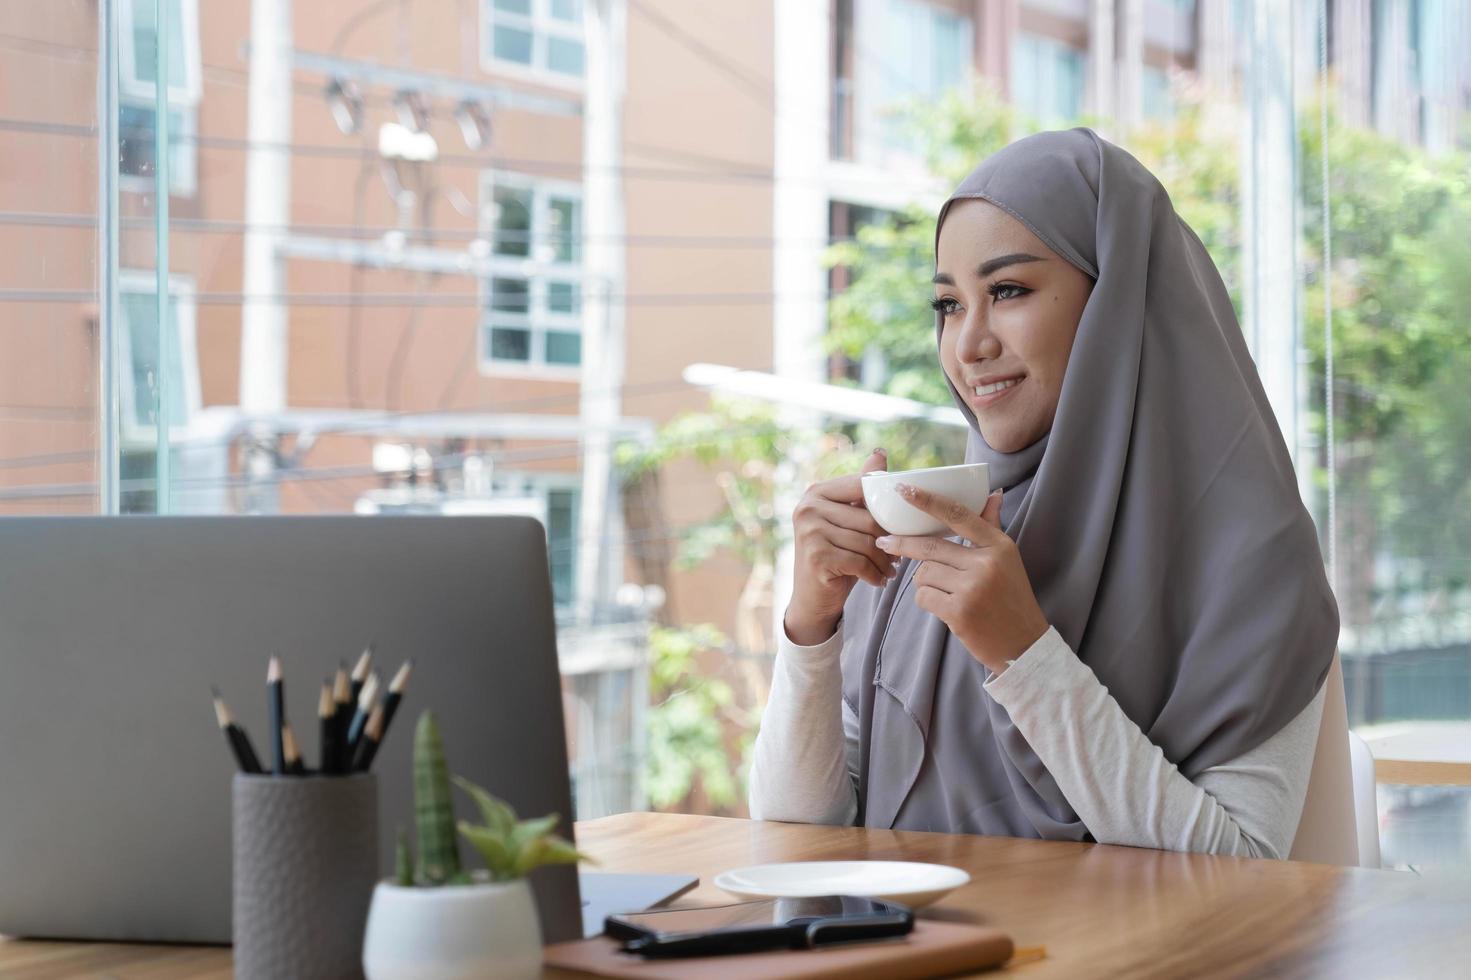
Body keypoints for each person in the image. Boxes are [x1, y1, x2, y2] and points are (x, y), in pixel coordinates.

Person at [747, 128, 1339, 858]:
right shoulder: (929, 538)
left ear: (1119, 307)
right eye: (947, 305)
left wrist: (1023, 653)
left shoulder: (1250, 555)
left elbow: (1242, 871)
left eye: (1006, 291)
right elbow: (797, 834)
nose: (968, 345)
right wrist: (811, 627)